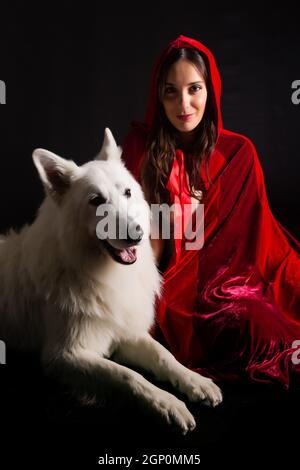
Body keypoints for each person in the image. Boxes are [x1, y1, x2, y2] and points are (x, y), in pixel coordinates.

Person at [121, 35, 300, 388]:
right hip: (169, 288)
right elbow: (141, 246)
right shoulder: (141, 150)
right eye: (171, 91)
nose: (183, 104)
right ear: (158, 96)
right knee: (261, 329)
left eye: (194, 89)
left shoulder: (238, 153)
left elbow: (256, 242)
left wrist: (239, 283)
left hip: (233, 281)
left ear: (211, 90)